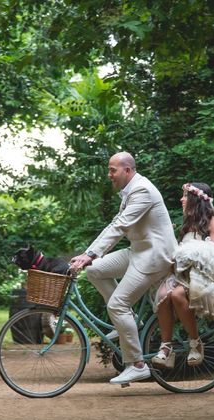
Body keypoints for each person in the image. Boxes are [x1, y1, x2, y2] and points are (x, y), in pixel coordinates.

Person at [70, 152, 177, 385]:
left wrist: (90, 254)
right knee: (95, 270)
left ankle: (137, 365)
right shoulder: (130, 190)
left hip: (154, 256)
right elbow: (114, 224)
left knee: (117, 304)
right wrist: (89, 255)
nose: (109, 175)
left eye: (112, 170)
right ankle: (129, 322)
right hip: (139, 250)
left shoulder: (142, 191)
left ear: (127, 170)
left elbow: (120, 226)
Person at [151, 182, 214, 368]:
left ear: (196, 199)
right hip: (182, 274)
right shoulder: (188, 225)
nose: (182, 199)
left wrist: (186, 255)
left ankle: (195, 343)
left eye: (185, 195)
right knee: (163, 297)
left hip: (201, 276)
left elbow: (213, 255)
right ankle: (166, 348)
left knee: (177, 294)